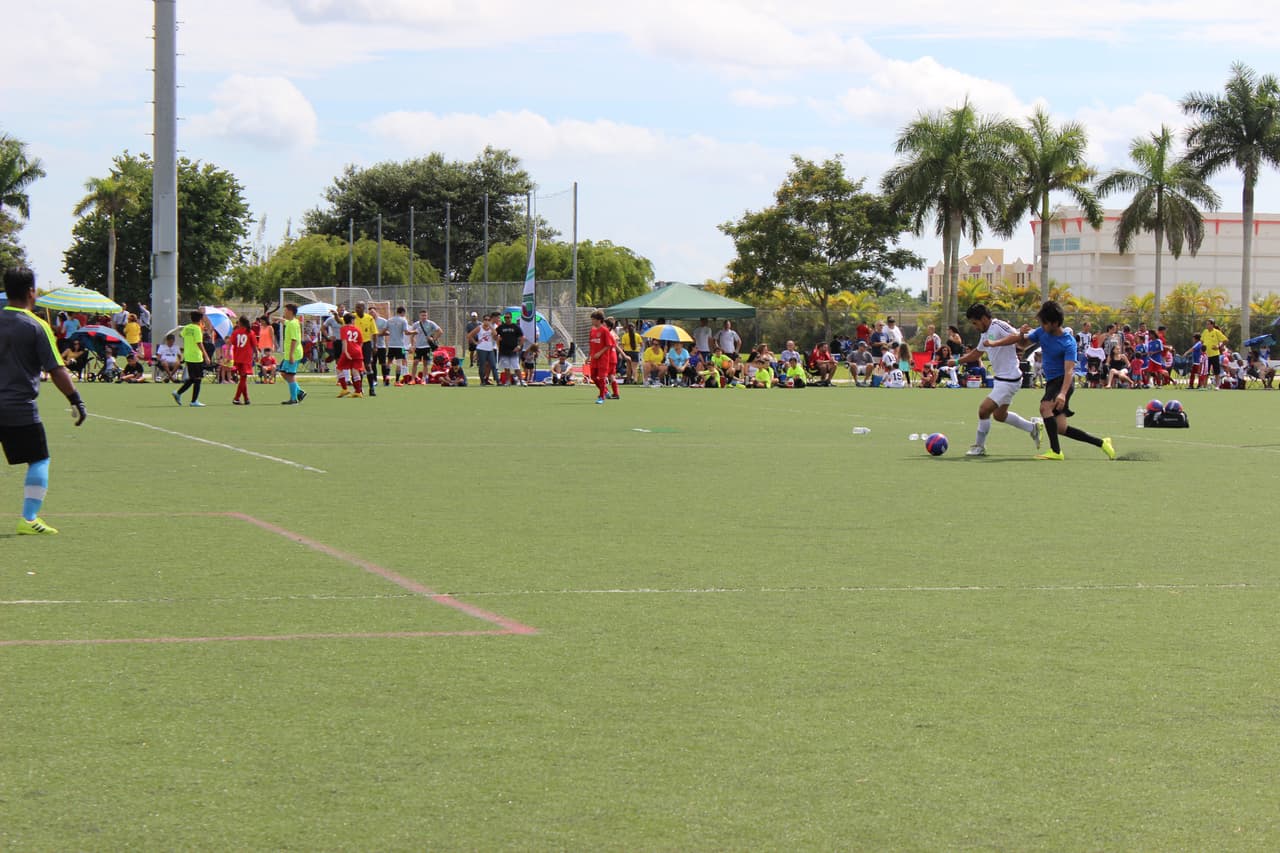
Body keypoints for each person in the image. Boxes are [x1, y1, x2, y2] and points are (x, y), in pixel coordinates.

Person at [1, 270, 87, 535]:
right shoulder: (36, 326)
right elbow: (56, 369)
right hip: (18, 408)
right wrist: (75, 400)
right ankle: (28, 519)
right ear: (31, 292)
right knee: (39, 460)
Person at [987, 301, 1114, 461]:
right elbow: (1022, 345)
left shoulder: (1068, 342)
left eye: (1044, 322)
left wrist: (1062, 394)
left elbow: (1069, 371)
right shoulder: (1042, 332)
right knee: (1061, 428)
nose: (1041, 325)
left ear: (1054, 323)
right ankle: (1102, 443)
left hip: (1063, 383)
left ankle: (1055, 451)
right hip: (1052, 382)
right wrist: (1020, 334)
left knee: (1044, 408)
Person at [957, 304, 1041, 457]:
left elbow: (1016, 337)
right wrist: (957, 362)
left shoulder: (998, 325)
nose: (974, 326)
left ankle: (979, 447)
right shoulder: (985, 332)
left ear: (983, 319)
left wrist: (997, 342)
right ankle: (1032, 428)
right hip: (1002, 379)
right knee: (1000, 416)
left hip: (1009, 379)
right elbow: (977, 354)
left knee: (984, 410)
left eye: (975, 323)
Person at [172, 311, 211, 407]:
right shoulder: (197, 329)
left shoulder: (187, 327)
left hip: (188, 356)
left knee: (193, 378)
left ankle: (178, 393)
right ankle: (194, 401)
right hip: (196, 356)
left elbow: (181, 335)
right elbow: (199, 343)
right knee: (197, 379)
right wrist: (205, 355)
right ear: (200, 320)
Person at [279, 303, 306, 405]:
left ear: (290, 312)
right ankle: (299, 392)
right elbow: (285, 322)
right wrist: (278, 319)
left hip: (294, 353)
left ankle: (294, 399)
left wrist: (291, 355)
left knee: (290, 375)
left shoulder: (294, 324)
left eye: (285, 310)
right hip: (289, 353)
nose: (284, 312)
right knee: (283, 373)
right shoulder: (291, 322)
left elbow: (294, 340)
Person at [229, 315, 257, 405]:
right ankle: (236, 398)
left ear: (240, 323)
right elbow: (254, 345)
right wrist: (256, 354)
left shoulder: (236, 332)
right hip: (246, 358)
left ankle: (246, 398)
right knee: (243, 378)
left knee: (242, 378)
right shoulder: (250, 332)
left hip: (237, 357)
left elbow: (231, 342)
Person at [336, 312, 365, 398]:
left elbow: (344, 341)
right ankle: (358, 391)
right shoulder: (357, 329)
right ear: (352, 320)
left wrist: (346, 352)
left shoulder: (343, 329)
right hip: (358, 351)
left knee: (339, 368)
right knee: (355, 371)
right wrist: (358, 349)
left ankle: (345, 389)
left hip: (348, 351)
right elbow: (361, 342)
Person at [587, 310, 614, 403]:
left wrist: (600, 353)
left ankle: (601, 397)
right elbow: (591, 344)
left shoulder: (605, 330)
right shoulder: (592, 330)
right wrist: (589, 356)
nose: (592, 321)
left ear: (599, 320)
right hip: (594, 358)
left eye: (593, 319)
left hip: (603, 358)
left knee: (602, 378)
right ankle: (605, 391)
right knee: (593, 377)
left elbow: (608, 345)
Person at [410, 309, 443, 385]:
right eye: (422, 315)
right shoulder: (416, 324)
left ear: (427, 316)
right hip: (418, 347)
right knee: (415, 362)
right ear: (419, 316)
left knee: (425, 363)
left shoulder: (431, 323)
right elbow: (412, 335)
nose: (424, 317)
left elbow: (440, 331)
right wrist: (412, 345)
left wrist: (433, 338)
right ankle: (412, 379)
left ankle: (424, 379)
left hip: (427, 347)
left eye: (425, 315)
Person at [353, 303, 379, 396]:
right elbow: (341, 321)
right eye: (356, 307)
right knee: (356, 367)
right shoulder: (352, 317)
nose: (357, 309)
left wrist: (375, 346)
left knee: (368, 365)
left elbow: (375, 333)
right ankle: (358, 389)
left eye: (359, 307)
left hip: (367, 344)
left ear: (363, 308)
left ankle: (371, 388)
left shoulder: (369, 318)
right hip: (355, 344)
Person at [495, 311, 525, 386]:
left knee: (516, 367)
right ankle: (508, 381)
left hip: (513, 350)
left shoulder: (515, 327)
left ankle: (521, 381)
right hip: (504, 350)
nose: (506, 319)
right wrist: (497, 339)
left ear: (511, 318)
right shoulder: (501, 327)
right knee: (506, 367)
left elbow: (522, 337)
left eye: (508, 317)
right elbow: (495, 335)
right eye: (505, 317)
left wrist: (519, 346)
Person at [468, 313, 497, 386]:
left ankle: (498, 381)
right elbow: (469, 335)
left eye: (488, 320)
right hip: (481, 349)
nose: (487, 321)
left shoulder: (491, 328)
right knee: (482, 365)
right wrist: (475, 342)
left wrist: (490, 326)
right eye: (485, 320)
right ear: (483, 320)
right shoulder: (479, 327)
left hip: (490, 349)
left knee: (493, 364)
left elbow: (495, 334)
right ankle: (482, 381)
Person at [384, 306, 411, 386]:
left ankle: (387, 377)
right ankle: (397, 381)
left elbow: (385, 331)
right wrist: (415, 332)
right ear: (403, 312)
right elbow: (406, 332)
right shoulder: (403, 320)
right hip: (400, 345)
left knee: (389, 362)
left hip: (391, 345)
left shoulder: (389, 320)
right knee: (399, 362)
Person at [1201, 319, 1229, 388]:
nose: (1207, 325)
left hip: (1215, 355)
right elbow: (1202, 341)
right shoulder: (1205, 332)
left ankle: (1217, 386)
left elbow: (1225, 340)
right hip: (1206, 356)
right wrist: (1203, 348)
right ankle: (1204, 386)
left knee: (1216, 371)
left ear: (1212, 325)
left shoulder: (1216, 332)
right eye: (1206, 324)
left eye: (1208, 324)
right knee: (1206, 372)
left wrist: (1219, 346)